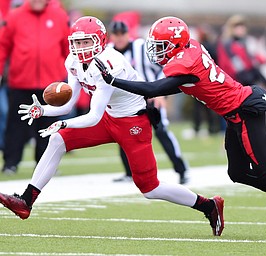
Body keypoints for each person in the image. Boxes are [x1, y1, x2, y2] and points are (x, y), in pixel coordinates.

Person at [94, 16, 266, 239]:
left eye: (162, 46)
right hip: (233, 114)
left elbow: (154, 89)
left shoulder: (184, 63)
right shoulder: (190, 48)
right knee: (238, 173)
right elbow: (181, 85)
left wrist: (113, 81)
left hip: (244, 111)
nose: (158, 51)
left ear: (176, 44)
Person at [0, 16, 225, 237]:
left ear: (99, 40)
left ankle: (208, 206)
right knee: (58, 140)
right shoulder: (73, 61)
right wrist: (43, 110)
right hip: (109, 118)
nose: (81, 47)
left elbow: (93, 116)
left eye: (86, 41)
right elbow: (68, 104)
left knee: (150, 189)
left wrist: (62, 123)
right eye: (77, 42)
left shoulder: (109, 62)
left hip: (132, 123)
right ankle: (26, 201)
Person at [108, 20, 188, 184]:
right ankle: (129, 173)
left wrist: (160, 93)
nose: (119, 37)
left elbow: (163, 68)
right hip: (127, 101)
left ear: (127, 34)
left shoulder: (140, 47)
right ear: (112, 36)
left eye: (122, 33)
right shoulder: (108, 52)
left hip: (151, 98)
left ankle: (182, 170)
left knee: (161, 131)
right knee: (124, 134)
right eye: (116, 34)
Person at [0, 0, 70, 174]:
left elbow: (67, 49)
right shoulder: (15, 16)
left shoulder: (59, 16)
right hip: (21, 82)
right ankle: (10, 163)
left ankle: (46, 164)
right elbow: (3, 47)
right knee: (16, 125)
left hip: (51, 85)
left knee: (49, 127)